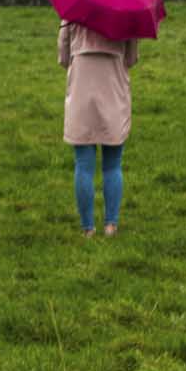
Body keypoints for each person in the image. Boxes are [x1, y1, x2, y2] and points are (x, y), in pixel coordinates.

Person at [58, 20, 139, 237]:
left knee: (83, 164)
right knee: (113, 164)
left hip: (81, 89)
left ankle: (88, 228)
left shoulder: (72, 13)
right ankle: (111, 225)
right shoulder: (127, 12)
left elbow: (63, 59)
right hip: (113, 89)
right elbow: (131, 59)